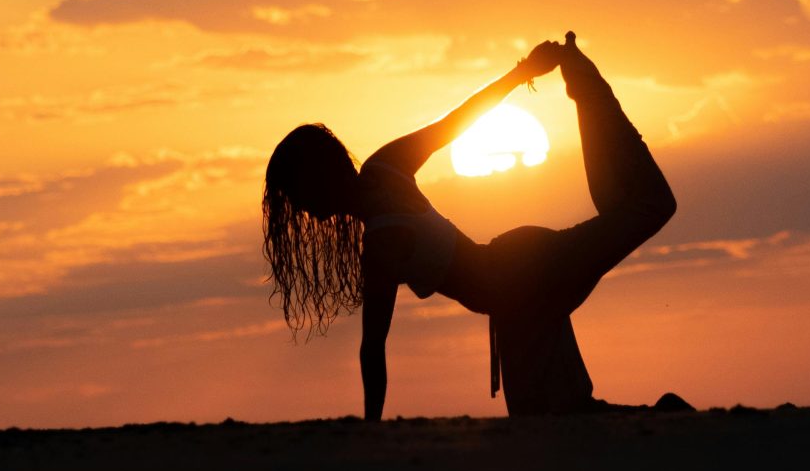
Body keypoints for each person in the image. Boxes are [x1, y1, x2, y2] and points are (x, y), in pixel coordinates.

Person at [262, 33, 677, 419]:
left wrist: (372, 430)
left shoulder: (383, 242)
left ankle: (585, 84)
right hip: (518, 289)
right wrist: (521, 74)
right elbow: (460, 120)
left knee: (651, 205)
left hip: (528, 275)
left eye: (296, 195)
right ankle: (671, 417)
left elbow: (373, 350)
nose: (299, 208)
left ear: (316, 179)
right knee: (563, 419)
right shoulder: (384, 167)